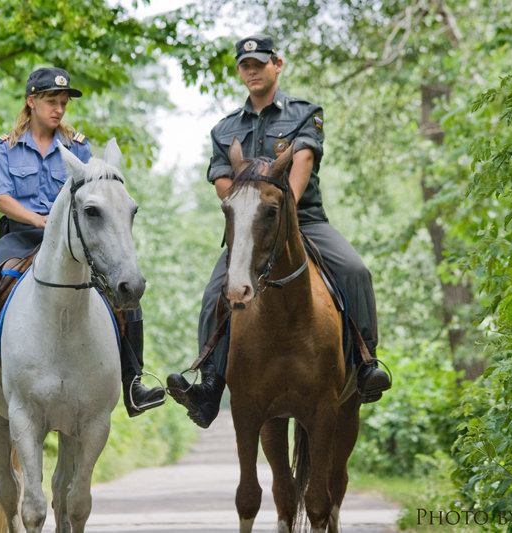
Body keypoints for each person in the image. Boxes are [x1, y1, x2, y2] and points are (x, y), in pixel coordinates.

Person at [167, 34, 391, 428]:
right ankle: (209, 383)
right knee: (213, 293)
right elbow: (222, 180)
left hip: (303, 219)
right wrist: (247, 211)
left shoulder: (304, 112)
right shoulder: (225, 129)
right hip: (250, 227)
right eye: (245, 66)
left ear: (277, 65)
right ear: (240, 72)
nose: (252, 71)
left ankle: (366, 363)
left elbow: (302, 159)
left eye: (259, 63)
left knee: (356, 271)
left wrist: (282, 209)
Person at [0, 67, 164, 416]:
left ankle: (134, 381)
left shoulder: (78, 147)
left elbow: (98, 196)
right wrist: (37, 219)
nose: (59, 109)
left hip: (70, 241)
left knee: (122, 291)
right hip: (21, 236)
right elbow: (2, 198)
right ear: (31, 101)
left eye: (63, 102)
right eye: (52, 101)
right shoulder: (7, 147)